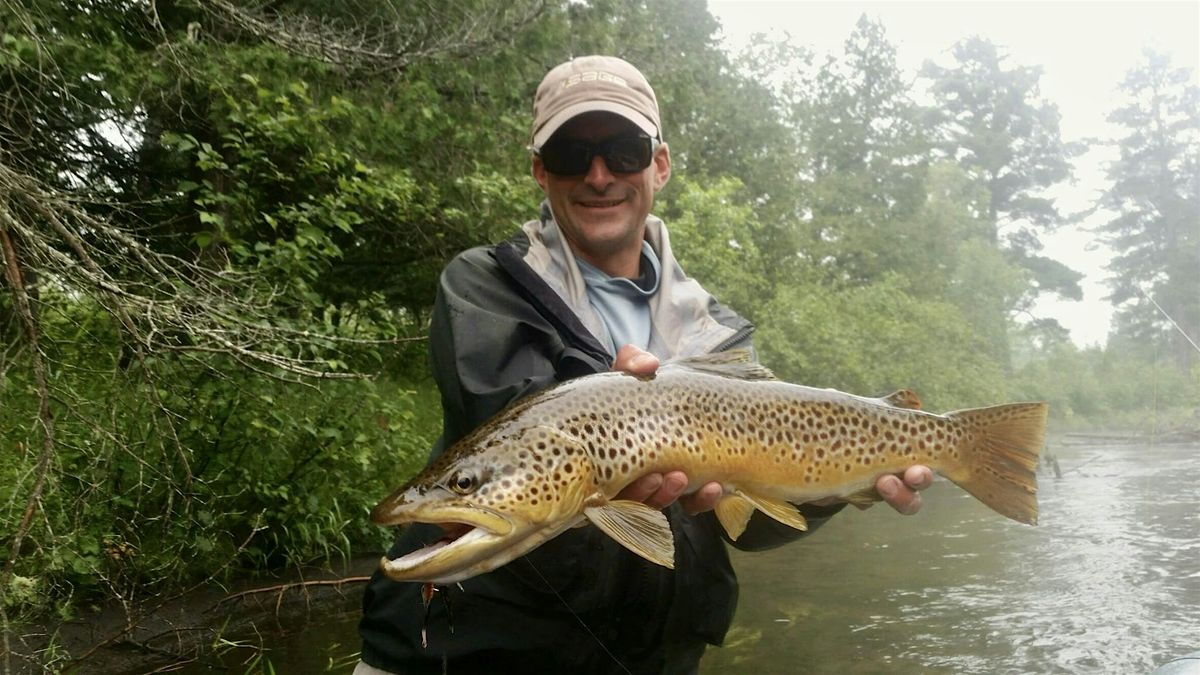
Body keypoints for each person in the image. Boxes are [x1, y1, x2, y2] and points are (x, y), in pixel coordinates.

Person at [356, 55, 933, 675]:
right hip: (465, 656)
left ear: (659, 164)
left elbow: (747, 524)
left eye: (623, 151)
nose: (599, 174)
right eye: (573, 153)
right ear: (539, 171)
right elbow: (520, 430)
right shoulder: (486, 285)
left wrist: (841, 486)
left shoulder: (715, 336)